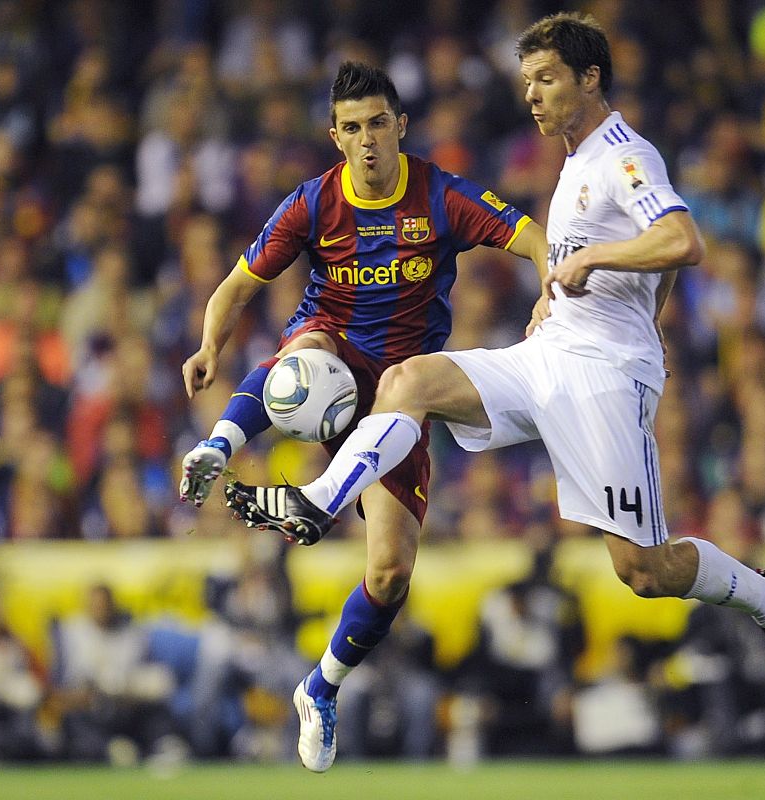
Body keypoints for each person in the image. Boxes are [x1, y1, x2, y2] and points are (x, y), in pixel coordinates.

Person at [227, 13, 765, 771]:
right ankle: (318, 502)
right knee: (409, 380)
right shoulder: (573, 162)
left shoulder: (624, 155)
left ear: (589, 79)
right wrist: (599, 298)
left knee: (643, 571)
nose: (531, 95)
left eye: (545, 79)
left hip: (604, 379)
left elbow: (682, 241)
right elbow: (650, 265)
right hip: (549, 356)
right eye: (527, 81)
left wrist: (598, 270)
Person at [177, 61, 547, 770]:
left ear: (401, 126)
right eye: (353, 127)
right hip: (334, 359)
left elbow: (532, 235)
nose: (368, 139)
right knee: (308, 352)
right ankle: (220, 446)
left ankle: (320, 687)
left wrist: (547, 291)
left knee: (390, 575)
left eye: (379, 123)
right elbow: (234, 287)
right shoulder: (315, 203)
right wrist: (207, 347)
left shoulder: (440, 196)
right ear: (336, 137)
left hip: (401, 396)